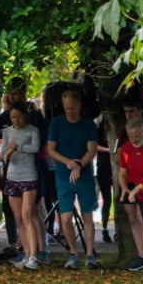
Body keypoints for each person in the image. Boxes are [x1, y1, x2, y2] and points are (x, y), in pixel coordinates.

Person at [46, 90, 99, 270]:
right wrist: (67, 162)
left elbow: (92, 150)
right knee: (66, 217)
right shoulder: (57, 123)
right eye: (67, 108)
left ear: (80, 106)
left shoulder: (88, 124)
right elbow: (51, 149)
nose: (70, 111)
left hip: (84, 175)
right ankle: (73, 253)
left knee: (87, 215)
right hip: (63, 174)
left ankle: (90, 254)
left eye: (73, 108)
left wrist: (79, 165)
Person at [0, 102, 42, 270]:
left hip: (29, 176)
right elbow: (2, 154)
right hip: (12, 177)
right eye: (12, 117)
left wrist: (17, 147)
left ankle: (34, 257)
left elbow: (36, 147)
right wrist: (6, 153)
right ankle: (26, 254)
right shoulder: (7, 132)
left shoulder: (33, 130)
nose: (15, 120)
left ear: (25, 116)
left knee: (27, 216)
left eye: (18, 117)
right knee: (18, 219)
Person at [118, 119, 143, 273]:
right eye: (131, 137)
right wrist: (124, 188)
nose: (134, 140)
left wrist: (139, 187)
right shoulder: (126, 149)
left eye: (137, 136)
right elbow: (122, 173)